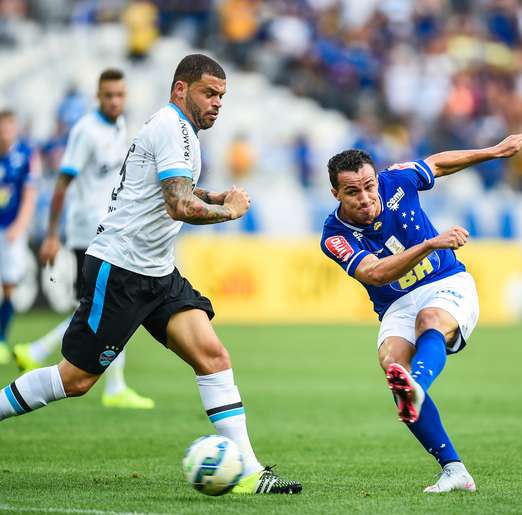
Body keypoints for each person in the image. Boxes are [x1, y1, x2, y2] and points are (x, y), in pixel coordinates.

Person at [0, 54, 301, 495]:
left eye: (222, 96)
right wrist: (227, 210)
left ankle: (249, 473)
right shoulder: (172, 128)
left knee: (213, 356)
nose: (217, 103)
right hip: (120, 270)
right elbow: (178, 205)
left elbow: (170, 187)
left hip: (157, 272)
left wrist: (210, 194)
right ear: (181, 89)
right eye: (209, 93)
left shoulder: (181, 132)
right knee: (75, 380)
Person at [320, 127, 522, 492]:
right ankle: (454, 470)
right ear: (335, 194)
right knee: (392, 363)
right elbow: (374, 273)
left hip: (446, 283)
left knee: (428, 323)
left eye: (369, 186)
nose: (365, 197)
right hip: (396, 303)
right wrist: (432, 242)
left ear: (377, 180)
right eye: (352, 192)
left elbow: (437, 164)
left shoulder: (397, 180)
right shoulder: (334, 235)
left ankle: (417, 387)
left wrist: (495, 150)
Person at [13, 69, 155, 410]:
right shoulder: (85, 131)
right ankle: (111, 385)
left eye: (120, 95)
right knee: (106, 306)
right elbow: (62, 182)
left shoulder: (120, 128)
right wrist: (51, 234)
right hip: (87, 231)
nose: (115, 101)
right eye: (108, 96)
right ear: (97, 96)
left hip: (111, 227)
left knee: (100, 306)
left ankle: (38, 352)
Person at [0, 110, 39, 364]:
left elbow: (30, 193)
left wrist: (20, 225)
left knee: (9, 285)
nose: (6, 132)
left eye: (9, 127)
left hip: (11, 229)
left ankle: (1, 340)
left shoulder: (25, 154)